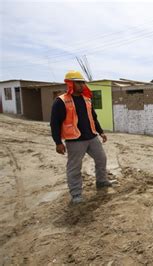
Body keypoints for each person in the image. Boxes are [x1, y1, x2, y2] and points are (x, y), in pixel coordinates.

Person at [50, 70, 112, 204]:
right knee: (74, 168)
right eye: (78, 83)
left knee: (101, 158)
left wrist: (101, 132)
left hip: (91, 137)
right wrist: (57, 142)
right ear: (70, 84)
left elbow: (93, 118)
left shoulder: (87, 99)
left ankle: (101, 181)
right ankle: (76, 194)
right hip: (75, 140)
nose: (81, 85)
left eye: (83, 82)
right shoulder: (61, 101)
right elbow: (54, 123)